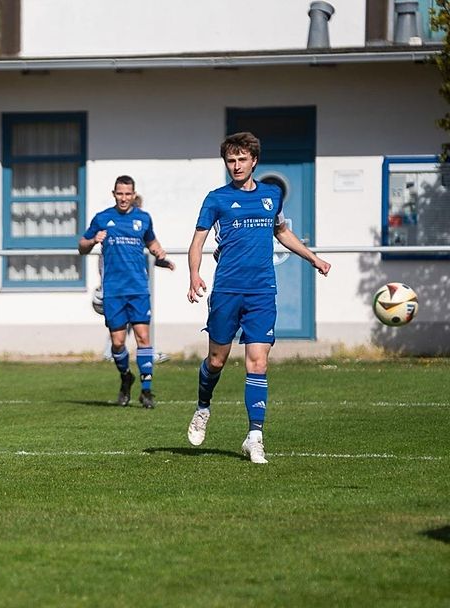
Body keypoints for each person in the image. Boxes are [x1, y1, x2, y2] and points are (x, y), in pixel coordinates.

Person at [185, 132, 331, 464]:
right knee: (217, 361)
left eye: (241, 159)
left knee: (258, 362)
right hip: (226, 291)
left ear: (254, 161)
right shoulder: (216, 199)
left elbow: (281, 231)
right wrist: (194, 275)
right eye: (230, 160)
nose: (236, 165)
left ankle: (255, 436)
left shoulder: (271, 195)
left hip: (262, 291)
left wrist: (313, 258)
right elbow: (197, 242)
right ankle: (203, 408)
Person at [79, 176, 174, 409]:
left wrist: (159, 254)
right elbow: (81, 247)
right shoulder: (102, 219)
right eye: (119, 194)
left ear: (133, 194)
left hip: (139, 289)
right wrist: (93, 240)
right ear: (114, 194)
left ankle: (147, 390)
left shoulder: (143, 219)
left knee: (143, 338)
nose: (124, 198)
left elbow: (152, 243)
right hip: (114, 291)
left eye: (128, 194)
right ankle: (125, 377)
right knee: (118, 343)